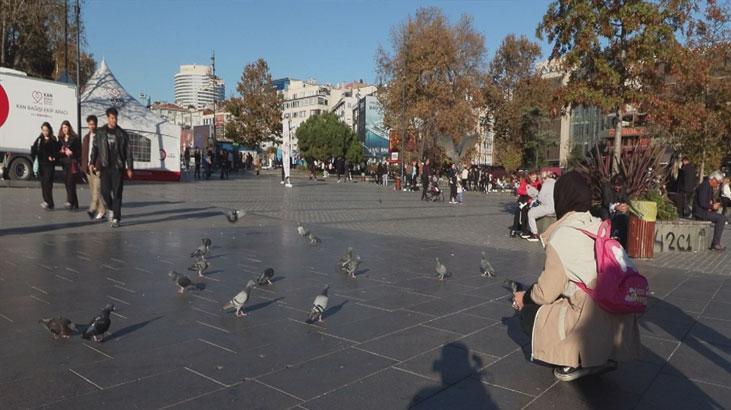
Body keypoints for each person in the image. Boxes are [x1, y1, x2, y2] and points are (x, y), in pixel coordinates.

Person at [511, 170, 640, 382]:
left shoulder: (562, 234)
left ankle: (575, 361)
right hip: (618, 318)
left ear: (562, 199)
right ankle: (604, 354)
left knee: (529, 313)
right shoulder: (599, 225)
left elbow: (545, 293)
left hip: (591, 319)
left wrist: (523, 298)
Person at [89, 107, 134, 228]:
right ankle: (112, 208)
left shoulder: (122, 134)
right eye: (112, 118)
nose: (114, 120)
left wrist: (130, 168)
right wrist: (92, 162)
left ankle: (116, 218)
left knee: (117, 192)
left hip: (117, 167)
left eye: (116, 118)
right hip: (105, 166)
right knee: (104, 191)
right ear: (108, 118)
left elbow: (128, 152)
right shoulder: (100, 132)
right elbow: (95, 148)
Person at [693, 171, 726, 251]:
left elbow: (708, 202)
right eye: (718, 182)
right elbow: (702, 202)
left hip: (704, 210)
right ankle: (715, 244)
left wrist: (713, 205)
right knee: (721, 219)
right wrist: (712, 206)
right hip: (700, 212)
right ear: (713, 179)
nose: (718, 185)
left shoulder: (709, 186)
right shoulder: (704, 186)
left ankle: (715, 243)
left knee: (720, 217)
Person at [81, 115, 106, 220]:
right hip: (88, 168)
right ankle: (102, 210)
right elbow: (84, 153)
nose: (91, 126)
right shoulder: (86, 137)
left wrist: (97, 165)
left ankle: (93, 209)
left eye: (93, 124)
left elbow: (102, 153)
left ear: (96, 124)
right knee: (93, 191)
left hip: (97, 168)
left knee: (97, 190)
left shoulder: (101, 137)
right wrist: (83, 167)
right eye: (90, 124)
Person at [31, 122, 58, 210]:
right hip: (41, 165)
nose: (45, 132)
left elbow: (56, 152)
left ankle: (48, 202)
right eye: (43, 130)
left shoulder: (53, 140)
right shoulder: (39, 139)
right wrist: (34, 151)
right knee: (43, 184)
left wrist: (53, 157)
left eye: (46, 130)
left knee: (47, 183)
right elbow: (34, 150)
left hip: (49, 166)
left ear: (49, 130)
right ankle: (48, 202)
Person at [523, 172, 556, 242]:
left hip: (548, 207)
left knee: (530, 213)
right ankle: (530, 231)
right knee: (533, 210)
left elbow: (540, 198)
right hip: (555, 207)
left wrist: (535, 198)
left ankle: (534, 234)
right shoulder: (555, 182)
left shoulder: (546, 184)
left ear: (543, 178)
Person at [600, 175, 630, 248]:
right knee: (606, 217)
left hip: (618, 211)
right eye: (616, 186)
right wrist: (615, 207)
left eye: (620, 186)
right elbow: (606, 202)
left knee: (624, 217)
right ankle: (608, 237)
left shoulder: (623, 189)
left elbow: (626, 200)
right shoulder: (606, 188)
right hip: (607, 210)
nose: (618, 188)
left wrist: (626, 206)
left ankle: (622, 241)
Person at [57, 120, 81, 210]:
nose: (64, 129)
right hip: (64, 163)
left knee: (71, 182)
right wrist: (61, 152)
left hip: (72, 163)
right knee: (67, 183)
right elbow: (57, 152)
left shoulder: (74, 138)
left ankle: (70, 201)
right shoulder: (60, 139)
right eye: (63, 127)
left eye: (66, 127)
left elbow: (79, 152)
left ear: (69, 128)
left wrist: (72, 152)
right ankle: (75, 204)